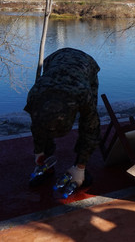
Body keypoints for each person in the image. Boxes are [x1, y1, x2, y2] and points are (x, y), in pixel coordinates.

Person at [24, 47, 100, 190]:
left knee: (88, 119)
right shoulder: (35, 95)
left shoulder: (83, 93)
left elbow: (91, 129)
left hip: (86, 64)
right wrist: (39, 152)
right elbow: (36, 126)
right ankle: (47, 166)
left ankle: (80, 169)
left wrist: (80, 167)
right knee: (43, 121)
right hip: (54, 60)